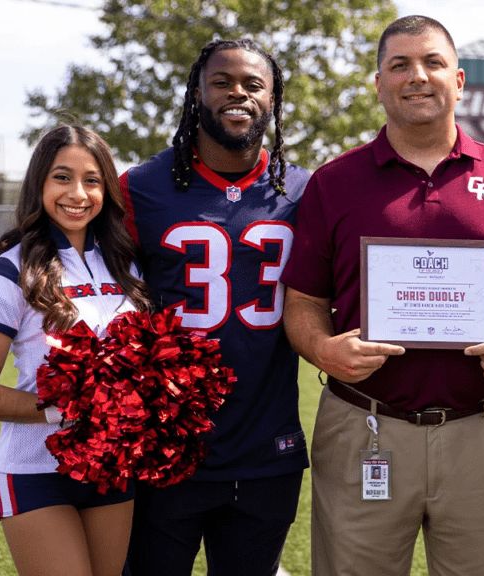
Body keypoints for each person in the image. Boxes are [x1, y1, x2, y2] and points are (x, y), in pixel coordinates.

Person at [280, 16, 484, 576]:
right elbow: (303, 302)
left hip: (482, 427)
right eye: (400, 65)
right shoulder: (334, 181)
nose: (418, 76)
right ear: (378, 83)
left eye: (433, 62)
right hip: (364, 425)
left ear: (458, 80)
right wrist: (322, 350)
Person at [120, 39, 310, 576]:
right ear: (196, 92)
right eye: (223, 81)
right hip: (166, 444)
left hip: (267, 445)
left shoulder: (303, 190)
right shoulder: (140, 187)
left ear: (272, 100)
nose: (238, 94)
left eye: (254, 85)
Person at [0, 124, 151, 576]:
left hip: (112, 468)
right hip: (34, 473)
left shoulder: (127, 267)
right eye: (62, 177)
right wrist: (66, 409)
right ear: (39, 183)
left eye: (92, 180)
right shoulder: (10, 272)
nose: (77, 193)